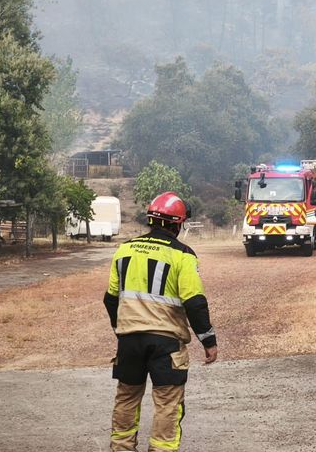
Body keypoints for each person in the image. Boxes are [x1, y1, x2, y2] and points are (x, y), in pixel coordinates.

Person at [103, 191, 218, 452]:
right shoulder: (182, 255)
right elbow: (194, 302)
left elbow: (110, 299)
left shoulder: (124, 250)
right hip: (166, 344)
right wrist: (208, 341)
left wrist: (120, 330)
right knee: (167, 403)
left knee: (126, 399)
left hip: (129, 340)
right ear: (177, 224)